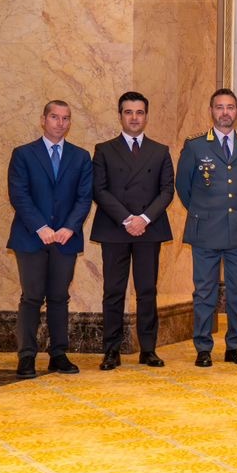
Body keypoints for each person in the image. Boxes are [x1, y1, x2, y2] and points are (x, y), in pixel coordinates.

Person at [176, 88, 237, 367]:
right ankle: (203, 347)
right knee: (204, 292)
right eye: (220, 107)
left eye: (230, 107)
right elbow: (183, 187)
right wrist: (204, 212)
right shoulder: (195, 146)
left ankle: (235, 347)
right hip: (205, 231)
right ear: (211, 111)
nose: (225, 112)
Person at [6, 100, 93, 377]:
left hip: (66, 239)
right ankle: (26, 356)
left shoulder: (81, 157)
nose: (60, 123)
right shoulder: (23, 154)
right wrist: (40, 227)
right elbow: (19, 195)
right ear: (43, 120)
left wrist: (70, 227)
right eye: (54, 117)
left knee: (59, 297)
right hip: (31, 238)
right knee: (31, 297)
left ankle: (58, 354)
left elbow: (84, 197)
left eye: (65, 118)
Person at [90, 91, 173, 370]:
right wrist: (127, 219)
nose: (134, 118)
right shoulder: (104, 149)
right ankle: (111, 350)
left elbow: (167, 190)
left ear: (146, 116)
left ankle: (148, 349)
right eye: (128, 112)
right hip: (115, 228)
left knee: (147, 290)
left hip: (149, 229)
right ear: (120, 116)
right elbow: (99, 189)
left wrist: (144, 219)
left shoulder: (160, 151)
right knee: (113, 291)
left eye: (139, 112)